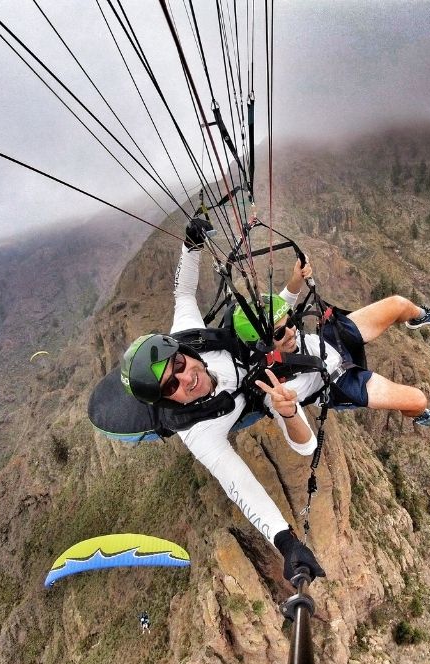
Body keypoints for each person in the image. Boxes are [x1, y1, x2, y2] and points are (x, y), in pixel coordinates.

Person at [121, 219, 325, 584]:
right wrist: (287, 543)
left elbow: (184, 295)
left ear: (185, 352)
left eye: (179, 365)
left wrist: (191, 245)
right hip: (242, 402)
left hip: (245, 362)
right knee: (292, 423)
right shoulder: (199, 433)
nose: (186, 377)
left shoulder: (189, 337)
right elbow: (240, 486)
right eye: (172, 385)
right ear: (167, 401)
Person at [234, 268, 430, 426]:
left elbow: (287, 299)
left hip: (329, 340)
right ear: (261, 345)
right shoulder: (276, 385)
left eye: (290, 323)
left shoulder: (272, 325)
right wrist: (286, 410)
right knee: (418, 401)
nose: (291, 332)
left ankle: (420, 316)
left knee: (398, 304)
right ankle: (417, 415)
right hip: (340, 383)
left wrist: (298, 276)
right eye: (279, 334)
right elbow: (296, 430)